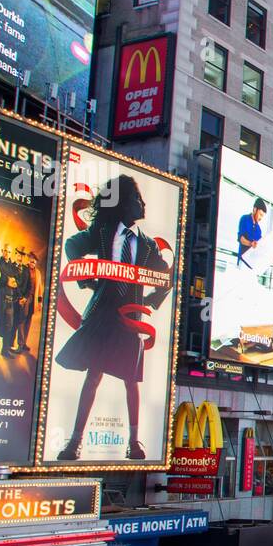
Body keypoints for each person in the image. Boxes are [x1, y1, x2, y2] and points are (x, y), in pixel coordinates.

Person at [53, 175, 172, 462]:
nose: (142, 204)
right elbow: (72, 246)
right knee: (93, 375)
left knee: (131, 379)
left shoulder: (146, 245)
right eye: (136, 198)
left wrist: (147, 303)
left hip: (130, 317)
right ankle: (75, 442)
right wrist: (89, 280)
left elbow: (166, 277)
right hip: (103, 312)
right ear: (122, 203)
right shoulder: (104, 231)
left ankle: (134, 442)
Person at [237, 198, 267, 268]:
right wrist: (251, 243)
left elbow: (261, 247)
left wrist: (271, 257)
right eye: (260, 214)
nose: (261, 218)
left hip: (252, 265)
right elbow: (241, 239)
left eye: (263, 216)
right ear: (254, 209)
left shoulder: (259, 229)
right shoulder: (244, 219)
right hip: (243, 263)